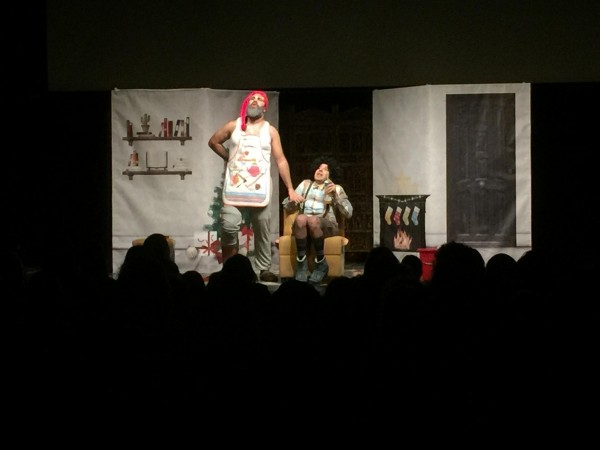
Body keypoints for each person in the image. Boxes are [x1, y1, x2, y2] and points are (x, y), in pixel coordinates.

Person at [208, 90, 303, 282]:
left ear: (264, 107)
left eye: (260, 99)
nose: (255, 101)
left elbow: (281, 160)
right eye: (252, 98)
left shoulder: (270, 131)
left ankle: (263, 269)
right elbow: (214, 142)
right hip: (235, 187)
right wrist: (230, 158)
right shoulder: (234, 126)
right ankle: (229, 267)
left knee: (262, 227)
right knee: (229, 225)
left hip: (259, 188)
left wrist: (290, 188)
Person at [282, 156, 353, 284]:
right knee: (301, 218)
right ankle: (301, 265)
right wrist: (292, 200)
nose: (320, 170)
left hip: (327, 226)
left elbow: (348, 213)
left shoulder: (336, 188)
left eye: (324, 169)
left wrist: (335, 196)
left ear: (331, 174)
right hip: (303, 226)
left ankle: (321, 263)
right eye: (318, 168)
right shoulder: (305, 184)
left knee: (313, 220)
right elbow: (287, 206)